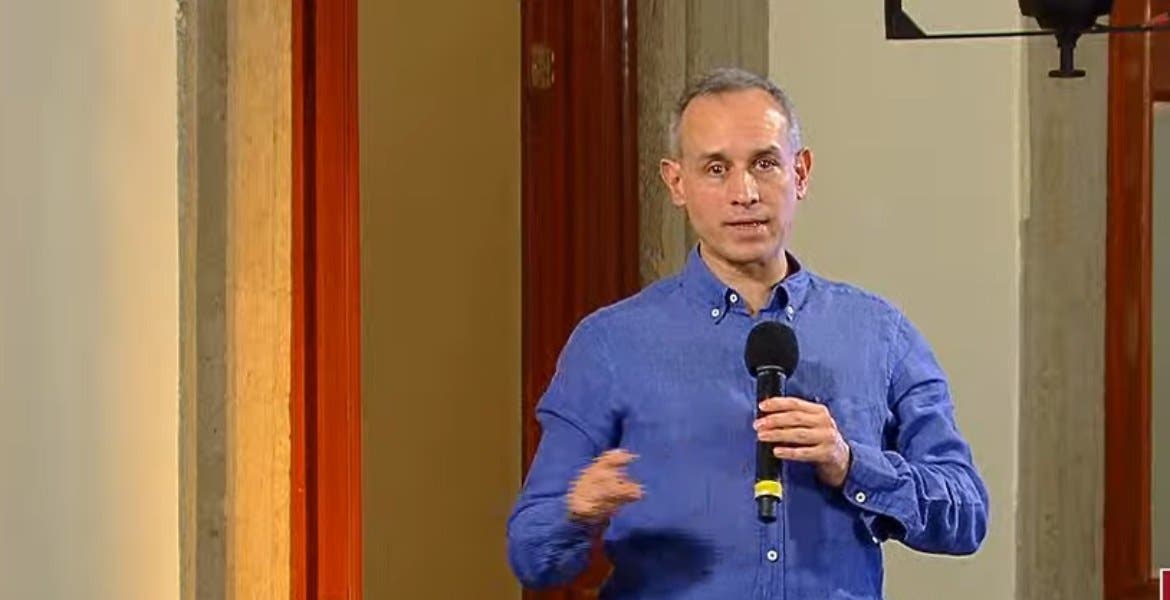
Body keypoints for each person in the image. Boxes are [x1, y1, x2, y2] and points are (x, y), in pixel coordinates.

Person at [506, 67, 989, 599]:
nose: (745, 193)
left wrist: (851, 464)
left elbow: (966, 514)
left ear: (800, 173)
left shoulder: (881, 335)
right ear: (676, 183)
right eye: (716, 169)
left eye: (764, 163)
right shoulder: (610, 345)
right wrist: (576, 510)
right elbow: (530, 553)